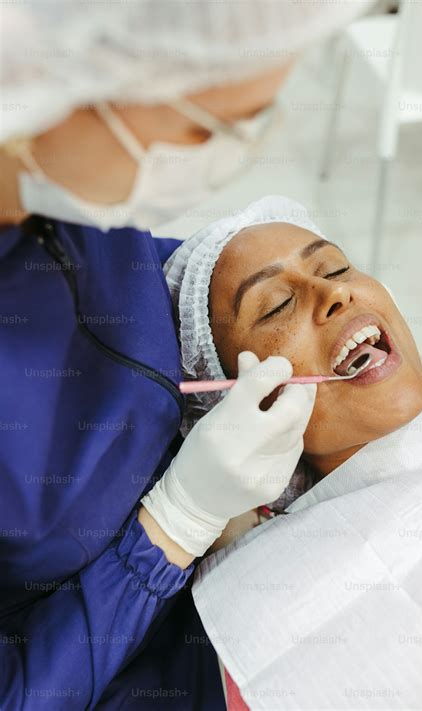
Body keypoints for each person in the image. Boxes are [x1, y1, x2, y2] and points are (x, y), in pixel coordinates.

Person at [0, 2, 376, 708]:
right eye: (209, 128)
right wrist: (172, 528)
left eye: (335, 268)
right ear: (74, 90)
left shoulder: (64, 195)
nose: (337, 298)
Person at [162, 196, 422, 707]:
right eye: (277, 305)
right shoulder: (265, 604)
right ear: (237, 398)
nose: (333, 292)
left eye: (335, 266)